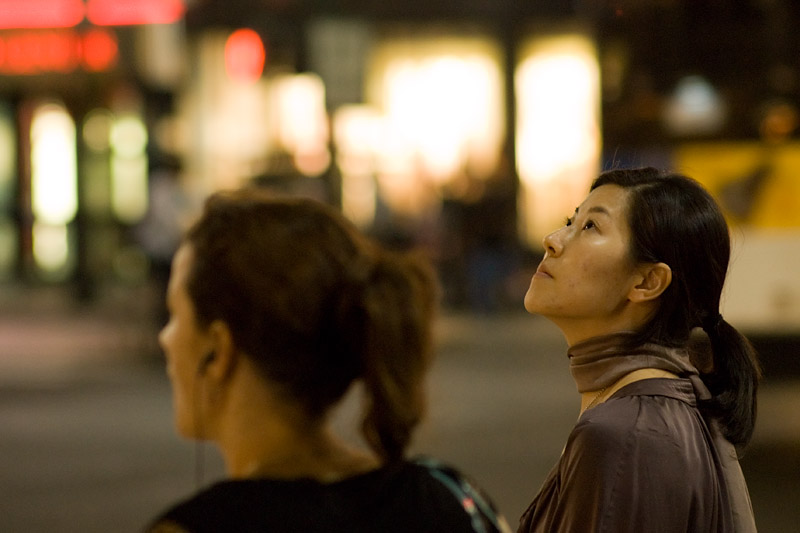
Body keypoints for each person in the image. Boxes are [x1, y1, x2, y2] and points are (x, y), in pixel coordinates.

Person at [146, 187, 510, 533]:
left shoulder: (195, 527)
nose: (166, 339)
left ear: (218, 351)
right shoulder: (451, 500)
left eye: (175, 315)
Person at [518, 167, 759, 532]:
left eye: (590, 228)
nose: (553, 240)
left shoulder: (625, 435)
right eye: (571, 221)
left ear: (647, 282)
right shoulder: (647, 410)